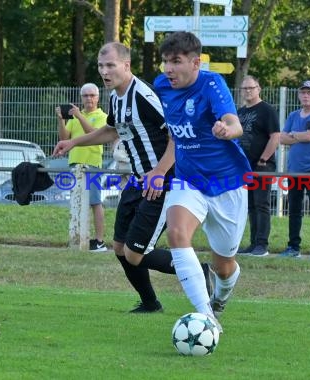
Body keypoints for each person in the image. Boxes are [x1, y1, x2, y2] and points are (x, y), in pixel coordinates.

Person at [53, 42, 211, 313]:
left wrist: (160, 172)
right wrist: (73, 143)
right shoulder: (116, 97)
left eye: (110, 65)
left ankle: (203, 272)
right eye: (101, 66)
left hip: (163, 182)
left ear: (126, 66)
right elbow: (112, 131)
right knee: (119, 247)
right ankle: (150, 303)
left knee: (135, 253)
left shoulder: (144, 96)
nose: (104, 71)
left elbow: (178, 134)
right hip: (138, 181)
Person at [154, 31, 251, 332]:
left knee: (224, 265)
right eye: (166, 62)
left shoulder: (212, 84)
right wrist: (160, 169)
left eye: (176, 62)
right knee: (177, 232)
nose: (169, 69)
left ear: (196, 63)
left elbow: (234, 123)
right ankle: (206, 316)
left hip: (228, 184)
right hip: (188, 180)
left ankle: (220, 296)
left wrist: (227, 130)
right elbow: (172, 131)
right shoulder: (161, 87)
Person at [278, 80, 310, 260]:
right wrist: (299, 136)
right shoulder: (293, 116)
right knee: (294, 210)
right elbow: (282, 138)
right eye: (303, 92)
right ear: (299, 95)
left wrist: (294, 135)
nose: (306, 96)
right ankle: (293, 247)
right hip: (294, 170)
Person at [55, 83, 108, 252]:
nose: (89, 99)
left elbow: (94, 133)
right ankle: (79, 236)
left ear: (98, 98)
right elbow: (64, 137)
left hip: (92, 164)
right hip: (75, 163)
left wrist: (78, 115)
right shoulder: (75, 116)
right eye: (85, 96)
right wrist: (61, 120)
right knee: (77, 202)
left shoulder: (102, 116)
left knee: (94, 202)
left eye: (92, 95)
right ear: (81, 98)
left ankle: (99, 241)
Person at [236, 75, 280, 257]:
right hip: (244, 167)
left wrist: (263, 159)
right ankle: (254, 243)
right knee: (250, 206)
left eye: (251, 88)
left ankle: (262, 245)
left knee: (261, 204)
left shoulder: (267, 110)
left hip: (262, 167)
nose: (247, 91)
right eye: (244, 88)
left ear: (258, 88)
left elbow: (275, 136)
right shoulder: (240, 112)